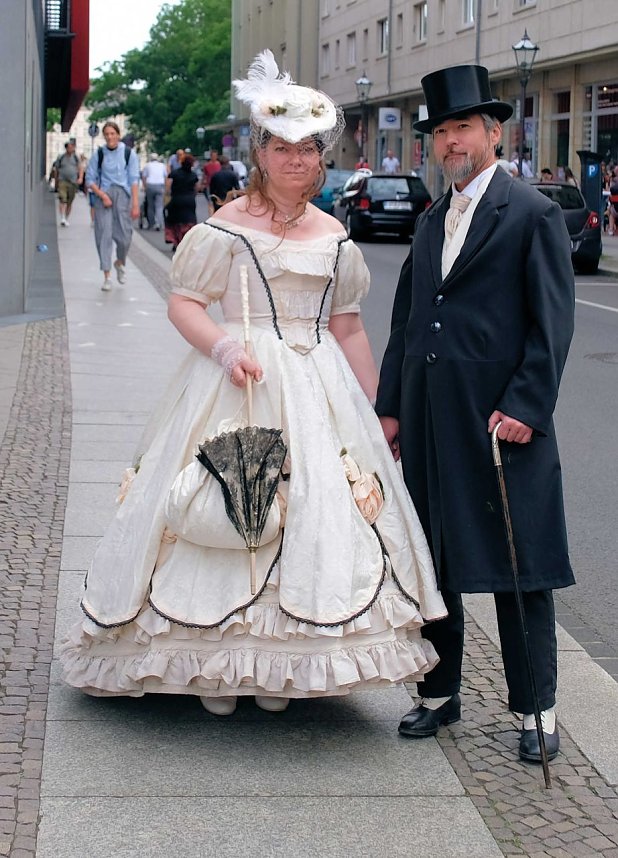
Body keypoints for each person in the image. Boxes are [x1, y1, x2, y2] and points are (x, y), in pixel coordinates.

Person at [59, 49, 446, 716]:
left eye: (307, 150)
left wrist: (381, 409)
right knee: (224, 504)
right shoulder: (226, 226)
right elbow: (184, 303)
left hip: (319, 387)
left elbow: (348, 327)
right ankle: (215, 666)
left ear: (321, 158)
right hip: (238, 379)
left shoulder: (334, 234)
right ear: (260, 154)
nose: (295, 160)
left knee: (312, 511)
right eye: (281, 148)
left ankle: (279, 669)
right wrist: (224, 347)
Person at [376, 64, 575, 764]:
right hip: (432, 419)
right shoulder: (432, 219)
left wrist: (526, 405)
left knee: (521, 568)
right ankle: (439, 692)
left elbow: (552, 324)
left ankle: (537, 710)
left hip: (500, 424)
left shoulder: (532, 213)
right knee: (434, 560)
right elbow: (407, 320)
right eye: (441, 132)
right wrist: (392, 410)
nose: (451, 141)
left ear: (494, 133)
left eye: (462, 127)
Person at [85, 121, 140, 292]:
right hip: (104, 195)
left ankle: (120, 262)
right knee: (104, 235)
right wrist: (102, 195)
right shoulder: (99, 154)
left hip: (122, 196)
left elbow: (134, 179)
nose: (110, 137)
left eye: (112, 134)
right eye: (107, 134)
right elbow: (89, 179)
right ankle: (107, 275)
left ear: (118, 134)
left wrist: (135, 203)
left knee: (125, 236)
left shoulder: (129, 154)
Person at [164, 152, 200, 251]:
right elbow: (197, 187)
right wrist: (192, 195)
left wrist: (167, 195)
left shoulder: (175, 173)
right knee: (189, 221)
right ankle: (187, 241)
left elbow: (168, 185)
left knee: (174, 220)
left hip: (177, 199)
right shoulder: (193, 175)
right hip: (189, 200)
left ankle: (176, 240)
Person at [53, 141, 83, 227]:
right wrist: (56, 181)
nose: (71, 149)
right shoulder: (61, 157)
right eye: (70, 147)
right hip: (62, 180)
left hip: (73, 182)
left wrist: (80, 178)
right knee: (63, 199)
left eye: (72, 147)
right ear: (66, 148)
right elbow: (56, 169)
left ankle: (66, 218)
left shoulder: (76, 158)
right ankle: (62, 217)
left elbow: (80, 168)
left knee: (69, 201)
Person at [141, 153, 167, 230]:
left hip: (150, 185)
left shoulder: (147, 165)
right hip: (160, 185)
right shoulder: (162, 165)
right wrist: (165, 187)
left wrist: (145, 187)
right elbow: (165, 176)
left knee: (150, 206)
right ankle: (159, 223)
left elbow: (144, 177)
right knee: (159, 206)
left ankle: (151, 224)